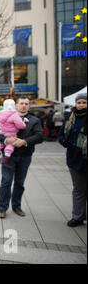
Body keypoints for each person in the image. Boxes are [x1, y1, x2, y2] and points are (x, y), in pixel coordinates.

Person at [0, 96, 44, 219]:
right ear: (16, 105)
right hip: (9, 156)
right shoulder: (6, 115)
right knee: (6, 181)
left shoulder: (34, 120)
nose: (24, 105)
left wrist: (25, 141)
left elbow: (40, 136)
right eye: (21, 103)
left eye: (26, 103)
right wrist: (5, 140)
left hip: (25, 156)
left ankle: (16, 206)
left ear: (29, 106)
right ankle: (2, 208)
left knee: (19, 183)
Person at [57, 93, 87, 227]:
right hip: (74, 159)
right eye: (79, 102)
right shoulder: (70, 117)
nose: (81, 105)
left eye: (84, 102)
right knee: (78, 189)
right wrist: (65, 142)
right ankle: (78, 216)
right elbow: (61, 134)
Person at [0, 99, 27, 168]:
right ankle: (6, 159)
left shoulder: (0, 113)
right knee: (10, 145)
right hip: (11, 133)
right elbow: (20, 125)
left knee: (1, 143)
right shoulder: (14, 115)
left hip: (2, 132)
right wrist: (24, 122)